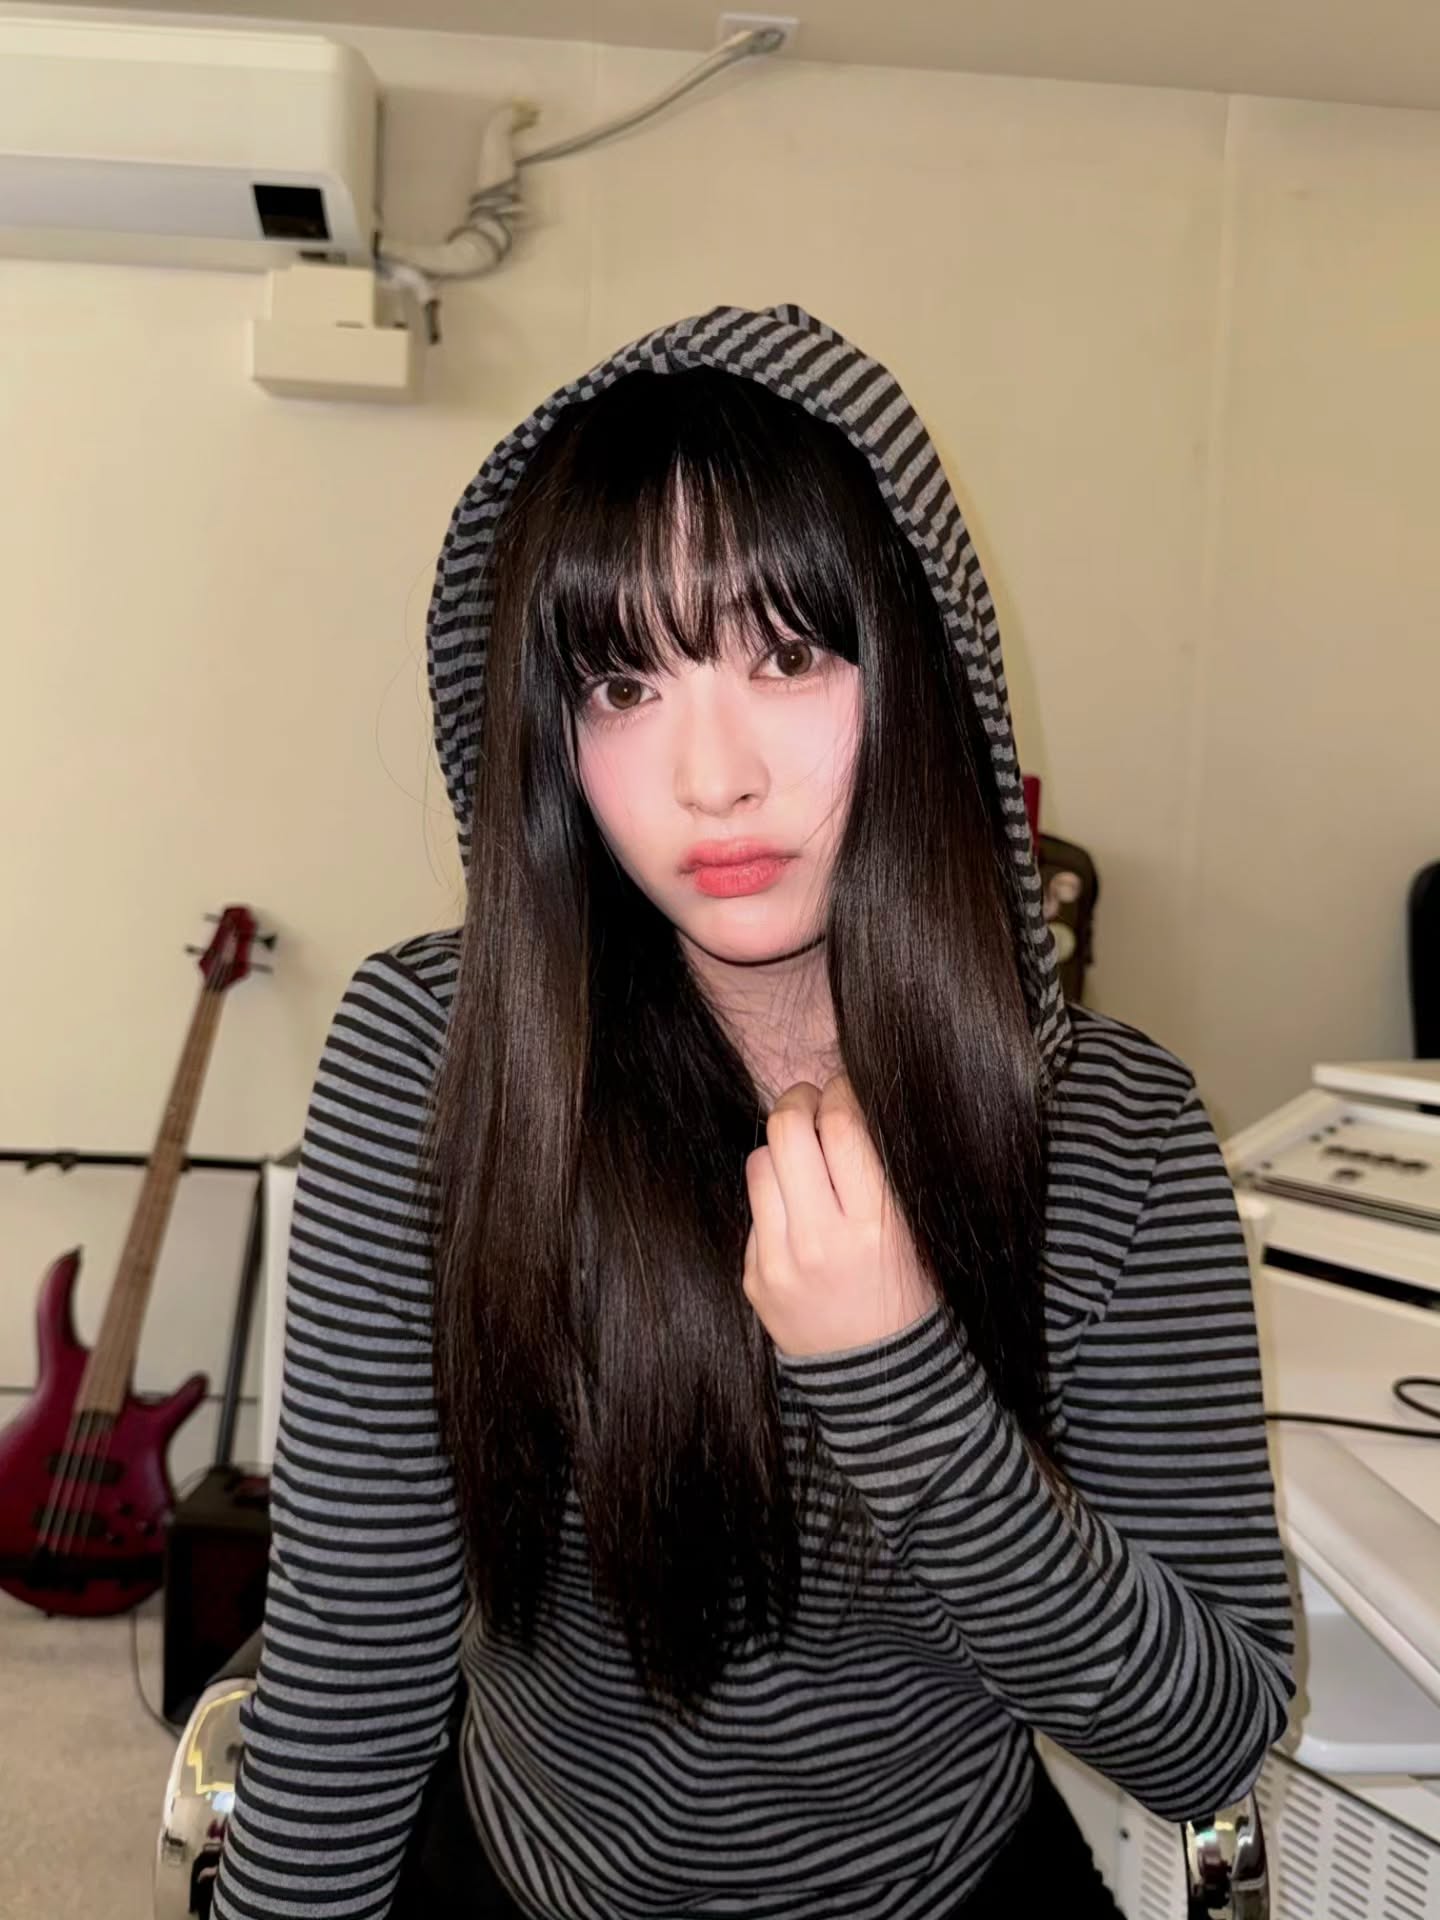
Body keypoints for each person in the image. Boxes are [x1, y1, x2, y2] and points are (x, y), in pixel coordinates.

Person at [210, 303, 1295, 1920]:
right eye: (621, 682)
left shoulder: (1108, 1128)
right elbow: (350, 1663)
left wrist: (900, 1380)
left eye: (787, 656)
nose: (710, 777)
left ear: (920, 667)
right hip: (529, 1872)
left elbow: (1206, 1734)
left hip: (939, 1882)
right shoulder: (434, 1053)